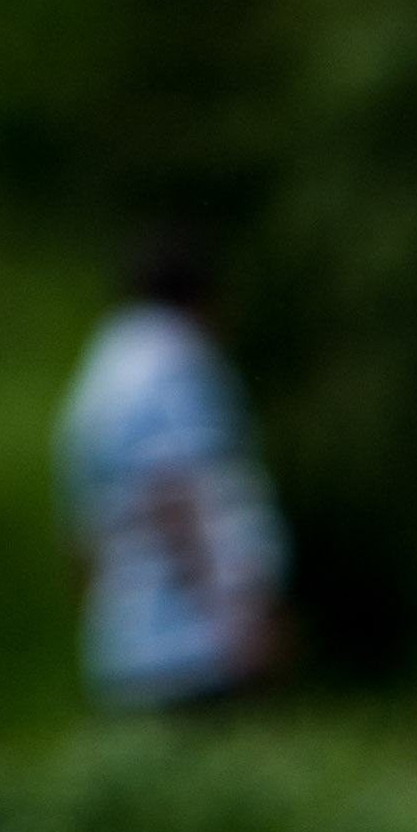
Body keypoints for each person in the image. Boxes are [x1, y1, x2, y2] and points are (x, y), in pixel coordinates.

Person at [52, 230, 286, 712]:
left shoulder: (98, 372)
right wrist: (237, 616)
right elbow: (174, 491)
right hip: (190, 644)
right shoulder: (175, 361)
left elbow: (80, 528)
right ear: (203, 296)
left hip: (123, 645)